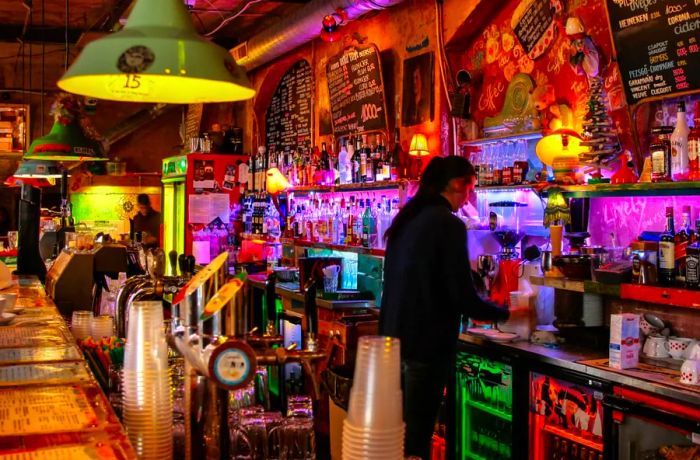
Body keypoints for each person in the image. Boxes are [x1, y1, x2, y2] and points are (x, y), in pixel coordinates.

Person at [379, 156, 509, 459]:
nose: (471, 196)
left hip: (392, 344)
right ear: (456, 184)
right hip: (424, 349)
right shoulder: (447, 224)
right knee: (416, 442)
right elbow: (461, 297)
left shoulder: (407, 219)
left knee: (395, 440)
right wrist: (506, 313)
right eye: (471, 187)